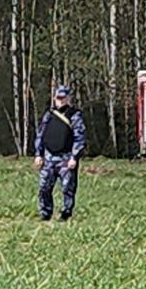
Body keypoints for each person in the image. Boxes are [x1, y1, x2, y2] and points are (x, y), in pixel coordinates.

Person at [33, 85, 87, 221]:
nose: (61, 101)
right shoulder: (49, 115)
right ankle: (45, 213)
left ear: (68, 99)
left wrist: (74, 157)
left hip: (66, 158)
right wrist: (38, 154)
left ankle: (66, 213)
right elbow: (41, 135)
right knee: (44, 187)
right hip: (49, 157)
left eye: (63, 98)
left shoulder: (75, 116)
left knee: (67, 188)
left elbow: (79, 138)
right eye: (58, 98)